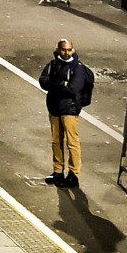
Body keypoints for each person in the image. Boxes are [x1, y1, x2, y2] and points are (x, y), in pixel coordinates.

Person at [40, 38, 95, 188]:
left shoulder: (78, 68)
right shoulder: (52, 65)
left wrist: (55, 85)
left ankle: (74, 174)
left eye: (69, 49)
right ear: (58, 49)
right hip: (54, 107)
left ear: (73, 49)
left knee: (72, 142)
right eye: (64, 49)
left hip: (70, 109)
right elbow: (43, 82)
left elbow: (73, 89)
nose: (66, 52)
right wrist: (61, 84)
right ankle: (58, 171)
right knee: (56, 141)